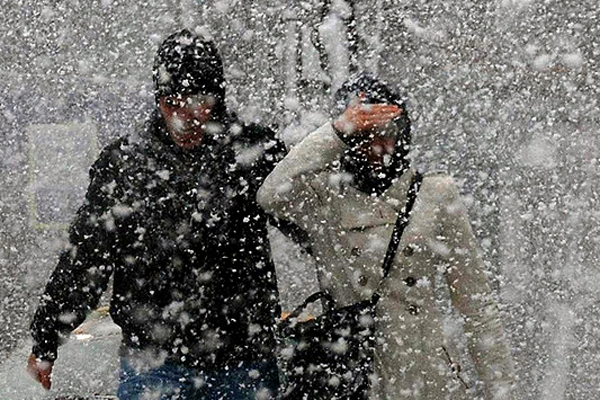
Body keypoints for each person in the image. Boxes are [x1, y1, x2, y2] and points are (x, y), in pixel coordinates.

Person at [27, 29, 286, 400]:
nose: (184, 117)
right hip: (154, 363)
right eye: (171, 102)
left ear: (217, 98)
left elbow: (312, 222)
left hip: (242, 361)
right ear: (158, 100)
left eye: (197, 101)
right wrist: (47, 338)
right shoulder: (126, 164)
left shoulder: (254, 153)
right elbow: (87, 257)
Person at [257, 73, 515, 399]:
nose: (378, 146)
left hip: (426, 378)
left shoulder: (434, 194)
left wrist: (502, 392)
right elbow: (269, 194)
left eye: (387, 132)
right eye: (363, 135)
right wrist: (334, 131)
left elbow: (478, 310)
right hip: (351, 375)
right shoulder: (322, 196)